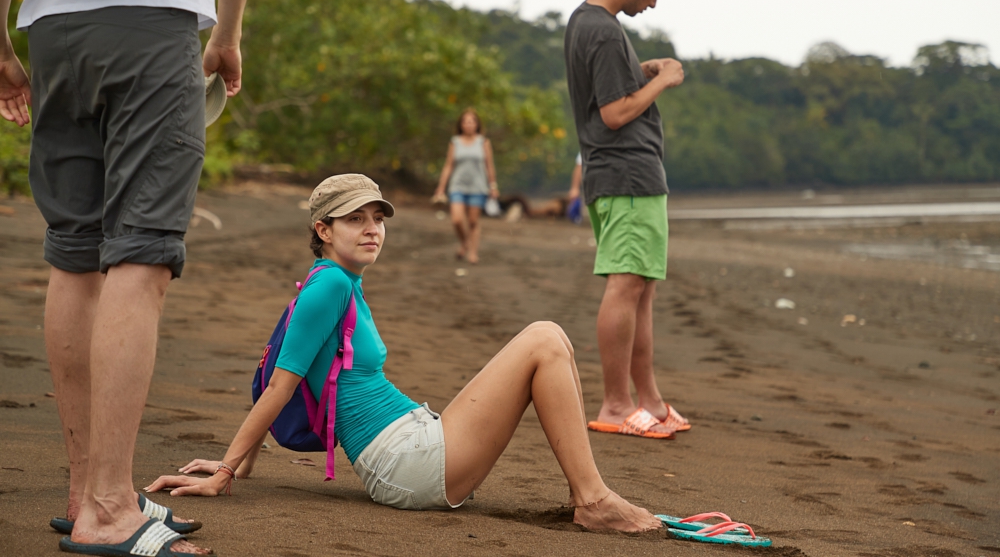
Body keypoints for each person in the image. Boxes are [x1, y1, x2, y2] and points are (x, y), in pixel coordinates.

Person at [144, 173, 663, 533]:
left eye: (378, 217)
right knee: (545, 337)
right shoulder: (328, 288)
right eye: (356, 219)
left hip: (414, 443)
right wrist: (227, 473)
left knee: (555, 342)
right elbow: (279, 384)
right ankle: (592, 499)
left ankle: (593, 495)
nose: (373, 228)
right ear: (323, 231)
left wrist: (241, 463)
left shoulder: (340, 283)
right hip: (403, 463)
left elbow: (283, 373)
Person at [0, 0, 258, 555]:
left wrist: (0, 45)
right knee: (141, 254)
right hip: (156, 22)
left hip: (55, 30)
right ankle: (111, 509)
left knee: (74, 252)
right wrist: (226, 35)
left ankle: (86, 490)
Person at [563, 0, 689, 439]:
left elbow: (607, 89)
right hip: (626, 173)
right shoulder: (605, 30)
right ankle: (617, 405)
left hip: (617, 174)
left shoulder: (585, 21)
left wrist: (643, 71)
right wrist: (665, 80)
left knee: (642, 290)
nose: (652, 4)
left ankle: (650, 401)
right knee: (627, 284)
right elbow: (614, 114)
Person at [432, 108, 499, 264]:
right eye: (465, 121)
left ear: (477, 124)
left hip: (478, 187)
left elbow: (489, 165)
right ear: (461, 124)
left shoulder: (484, 142)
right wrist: (441, 187)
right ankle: (465, 242)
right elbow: (449, 165)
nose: (468, 124)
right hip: (457, 185)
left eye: (472, 121)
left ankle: (473, 252)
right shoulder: (454, 142)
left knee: (474, 222)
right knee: (456, 219)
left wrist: (493, 186)